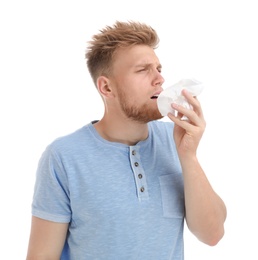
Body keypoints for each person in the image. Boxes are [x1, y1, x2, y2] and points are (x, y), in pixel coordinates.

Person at [26, 20, 227, 260]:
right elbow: (42, 256)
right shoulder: (63, 156)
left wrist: (189, 157)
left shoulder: (175, 139)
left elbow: (212, 234)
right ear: (107, 88)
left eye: (159, 69)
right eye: (143, 70)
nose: (159, 80)